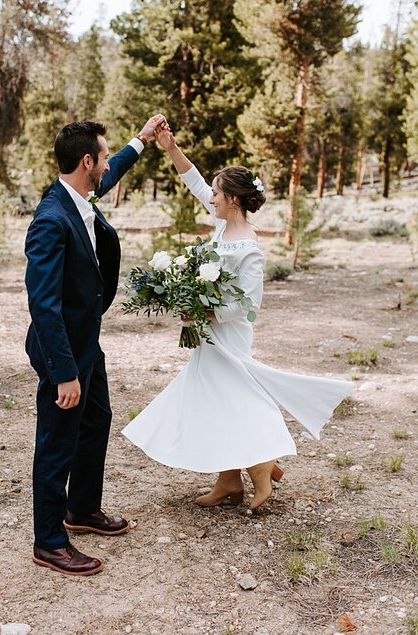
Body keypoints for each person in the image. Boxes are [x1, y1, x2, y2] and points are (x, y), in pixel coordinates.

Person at [122, 124, 354, 510]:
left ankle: (262, 467)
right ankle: (229, 479)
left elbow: (250, 304)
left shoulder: (249, 247)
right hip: (207, 333)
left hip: (228, 334)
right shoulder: (220, 226)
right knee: (212, 401)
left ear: (231, 198)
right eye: (211, 192)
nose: (209, 197)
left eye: (216, 193)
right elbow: (195, 182)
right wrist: (171, 148)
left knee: (235, 400)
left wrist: (205, 310)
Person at [24, 115, 165, 577]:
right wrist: (64, 372)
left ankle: (81, 509)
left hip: (88, 340)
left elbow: (114, 171)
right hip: (62, 349)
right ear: (87, 162)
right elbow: (43, 305)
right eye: (102, 157)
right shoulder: (50, 219)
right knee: (56, 443)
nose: (107, 165)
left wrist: (140, 142)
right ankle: (49, 543)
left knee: (97, 417)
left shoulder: (78, 195)